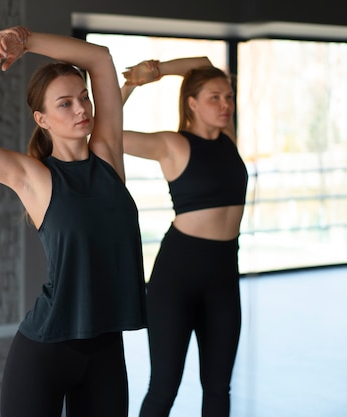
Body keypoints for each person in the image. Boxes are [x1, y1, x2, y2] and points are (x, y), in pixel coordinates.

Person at [0, 26, 147, 417]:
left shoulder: (108, 157)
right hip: (46, 349)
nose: (82, 109)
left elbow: (99, 57)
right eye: (64, 104)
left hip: (105, 349)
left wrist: (26, 41)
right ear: (42, 118)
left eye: (83, 97)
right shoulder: (33, 177)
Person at [121, 57, 248, 417]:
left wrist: (161, 69)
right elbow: (100, 130)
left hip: (224, 277)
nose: (225, 105)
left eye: (229, 97)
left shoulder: (228, 138)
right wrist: (134, 83)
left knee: (218, 387)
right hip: (177, 278)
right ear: (192, 103)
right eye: (214, 98)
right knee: (164, 388)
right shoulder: (171, 145)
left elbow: (204, 64)